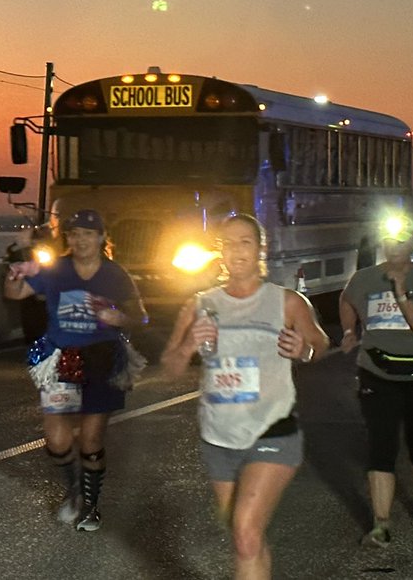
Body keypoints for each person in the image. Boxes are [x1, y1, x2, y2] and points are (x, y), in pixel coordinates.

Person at [161, 213, 329, 580]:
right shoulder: (200, 304)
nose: (236, 250)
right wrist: (188, 345)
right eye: (228, 243)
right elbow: (170, 366)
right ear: (218, 251)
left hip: (273, 431)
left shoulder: (286, 302)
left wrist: (303, 349)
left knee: (246, 532)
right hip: (218, 437)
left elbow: (320, 343)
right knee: (245, 541)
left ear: (260, 249)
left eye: (245, 242)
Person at [3, 209, 147, 532]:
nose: (80, 240)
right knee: (56, 441)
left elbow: (141, 317)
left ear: (101, 238)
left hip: (101, 360)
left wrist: (119, 318)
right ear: (67, 239)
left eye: (88, 234)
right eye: (74, 234)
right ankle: (73, 491)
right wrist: (13, 270)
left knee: (91, 440)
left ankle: (91, 506)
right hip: (61, 358)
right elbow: (14, 293)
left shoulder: (115, 275)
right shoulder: (56, 271)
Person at [339, 214, 413, 548]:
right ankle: (380, 525)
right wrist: (348, 330)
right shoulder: (365, 278)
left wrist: (401, 292)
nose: (394, 246)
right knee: (381, 445)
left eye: (402, 240)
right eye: (389, 239)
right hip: (377, 372)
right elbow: (346, 299)